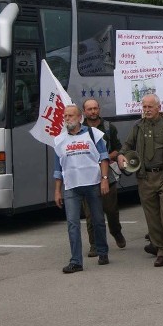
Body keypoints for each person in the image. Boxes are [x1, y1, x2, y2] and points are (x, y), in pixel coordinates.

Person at [118, 94, 163, 268]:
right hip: (145, 177)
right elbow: (126, 146)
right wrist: (121, 155)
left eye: (150, 107)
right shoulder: (138, 127)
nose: (147, 110)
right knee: (152, 217)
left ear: (158, 107)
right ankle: (161, 250)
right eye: (144, 107)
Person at [53, 104, 111, 273]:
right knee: (72, 223)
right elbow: (58, 168)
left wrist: (104, 179)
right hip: (71, 187)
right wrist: (57, 190)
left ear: (80, 118)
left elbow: (104, 158)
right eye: (65, 116)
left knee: (98, 220)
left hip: (93, 184)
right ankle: (76, 261)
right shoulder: (59, 140)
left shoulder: (93, 134)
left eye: (71, 116)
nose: (67, 119)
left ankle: (102, 252)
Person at [81, 98, 125, 256]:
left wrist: (106, 156)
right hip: (87, 177)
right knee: (90, 214)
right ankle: (95, 244)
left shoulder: (108, 127)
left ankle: (116, 232)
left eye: (95, 108)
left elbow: (118, 148)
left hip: (108, 176)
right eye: (89, 109)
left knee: (111, 210)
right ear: (84, 112)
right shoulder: (80, 130)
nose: (93, 112)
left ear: (99, 109)